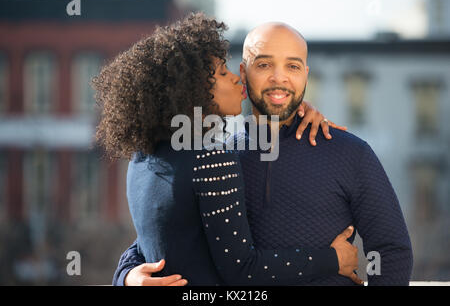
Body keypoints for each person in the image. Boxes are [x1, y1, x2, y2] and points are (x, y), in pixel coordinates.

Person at [113, 17, 414, 286]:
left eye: (292, 66)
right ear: (243, 73)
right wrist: (127, 276)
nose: (279, 78)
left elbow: (392, 251)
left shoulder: (350, 153)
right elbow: (162, 233)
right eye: (264, 64)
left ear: (306, 75)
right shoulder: (216, 152)